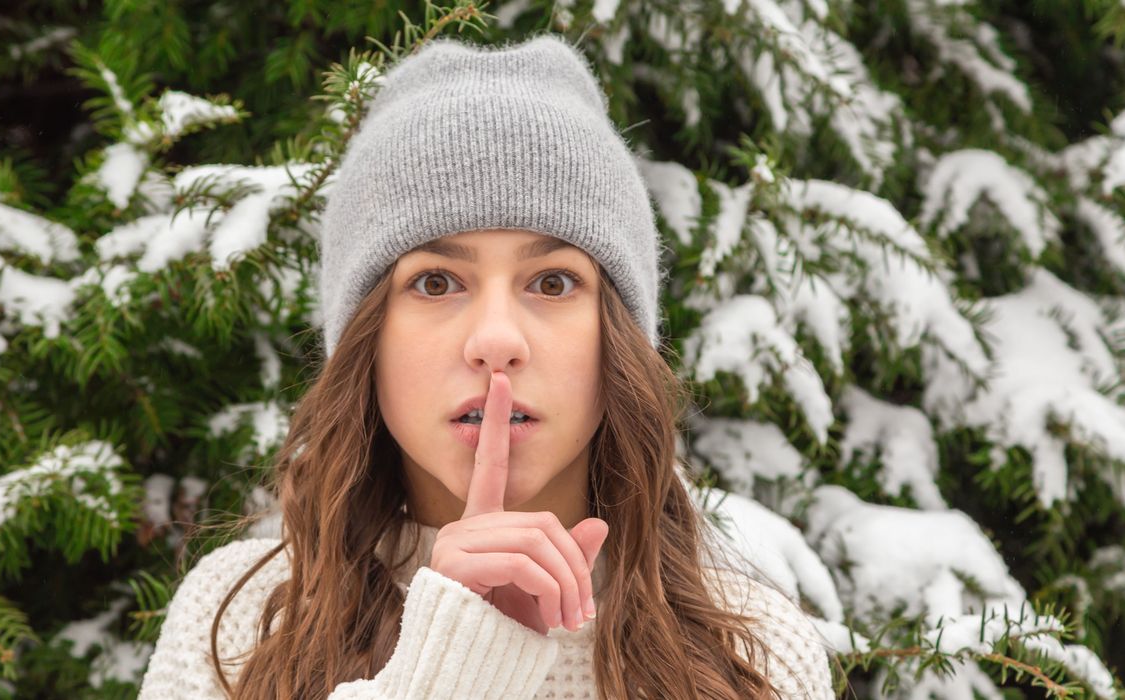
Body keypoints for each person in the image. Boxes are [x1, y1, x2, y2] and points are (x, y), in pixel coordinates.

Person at [137, 33, 837, 699]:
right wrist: (443, 673)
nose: (496, 340)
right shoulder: (240, 626)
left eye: (553, 282)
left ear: (619, 341)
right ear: (364, 341)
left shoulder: (752, 655)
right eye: (436, 282)